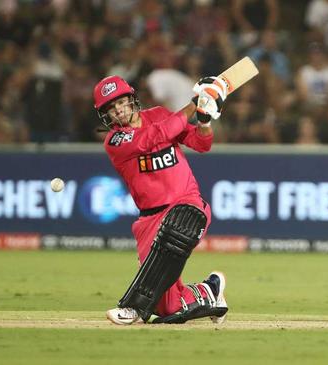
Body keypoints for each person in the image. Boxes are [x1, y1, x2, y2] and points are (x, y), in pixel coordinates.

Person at [92, 74, 229, 325]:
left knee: (176, 227)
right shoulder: (115, 141)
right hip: (150, 220)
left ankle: (133, 308)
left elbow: (201, 143)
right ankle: (211, 290)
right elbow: (155, 136)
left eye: (121, 102)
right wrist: (195, 103)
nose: (118, 111)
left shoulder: (159, 114)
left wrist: (205, 119)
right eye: (110, 109)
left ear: (132, 99)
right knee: (168, 305)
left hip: (187, 205)